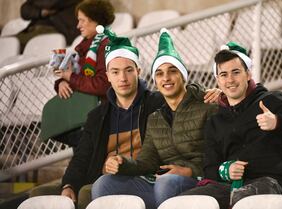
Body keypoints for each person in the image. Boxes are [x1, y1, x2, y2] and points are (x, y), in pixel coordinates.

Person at [29, 27, 219, 209]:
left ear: (138, 71)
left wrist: (214, 94)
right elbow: (82, 156)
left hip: (160, 176)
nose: (123, 78)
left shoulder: (158, 102)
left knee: (164, 184)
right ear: (108, 77)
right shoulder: (99, 116)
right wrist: (69, 184)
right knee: (100, 185)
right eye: (115, 72)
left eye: (128, 70)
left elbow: (182, 92)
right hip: (126, 173)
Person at [180, 42, 282, 209]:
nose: (230, 79)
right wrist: (226, 169)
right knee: (182, 203)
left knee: (243, 199)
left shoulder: (270, 100)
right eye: (223, 75)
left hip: (274, 184)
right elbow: (209, 168)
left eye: (236, 72)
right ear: (218, 81)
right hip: (231, 187)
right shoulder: (215, 120)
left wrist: (278, 121)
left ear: (248, 74)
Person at [91, 28, 218, 209]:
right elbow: (147, 161)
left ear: (183, 75)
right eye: (159, 73)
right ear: (155, 80)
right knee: (104, 184)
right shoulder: (155, 118)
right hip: (162, 183)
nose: (166, 78)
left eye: (172, 71)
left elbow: (220, 154)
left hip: (198, 181)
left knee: (166, 183)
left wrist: (188, 171)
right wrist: (122, 163)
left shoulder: (207, 106)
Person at [51, 0, 115, 147]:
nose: (78, 26)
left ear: (96, 21)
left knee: (84, 160)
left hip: (103, 116)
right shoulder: (83, 47)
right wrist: (61, 82)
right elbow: (76, 77)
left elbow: (103, 85)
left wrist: (70, 77)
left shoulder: (107, 46)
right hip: (84, 115)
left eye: (82, 21)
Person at [16, 0, 81, 51]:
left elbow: (50, 4)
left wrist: (33, 5)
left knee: (14, 42)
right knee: (11, 42)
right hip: (35, 30)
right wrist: (40, 12)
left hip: (58, 30)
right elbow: (24, 10)